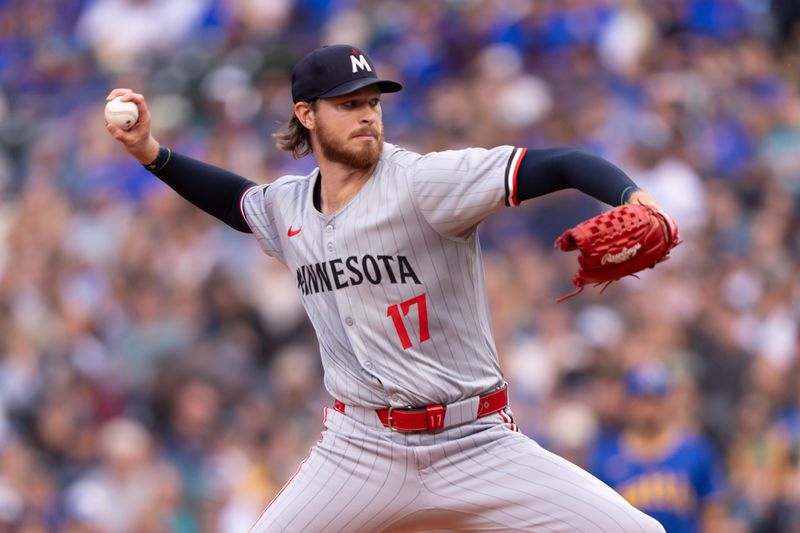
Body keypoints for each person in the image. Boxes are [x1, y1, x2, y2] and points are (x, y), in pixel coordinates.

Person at [107, 44, 667, 532]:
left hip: (475, 441)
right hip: (361, 450)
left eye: (373, 102)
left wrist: (631, 196)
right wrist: (152, 154)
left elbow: (562, 162)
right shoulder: (289, 208)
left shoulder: (425, 183)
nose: (367, 115)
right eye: (348, 104)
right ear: (306, 114)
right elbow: (237, 203)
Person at [589, 362, 729, 533]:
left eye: (656, 401)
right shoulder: (606, 456)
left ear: (668, 401)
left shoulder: (696, 450)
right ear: (628, 403)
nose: (649, 411)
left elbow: (713, 515)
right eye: (642, 402)